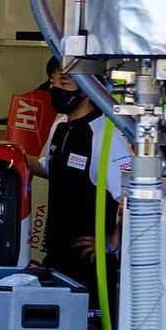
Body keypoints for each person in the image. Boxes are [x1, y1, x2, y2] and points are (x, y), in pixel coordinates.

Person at [29, 57, 133, 315]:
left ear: (89, 86)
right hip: (57, 254)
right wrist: (6, 150)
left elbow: (134, 197)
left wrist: (112, 243)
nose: (56, 88)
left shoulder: (106, 135)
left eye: (64, 81)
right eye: (52, 81)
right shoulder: (60, 127)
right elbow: (48, 168)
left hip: (90, 264)